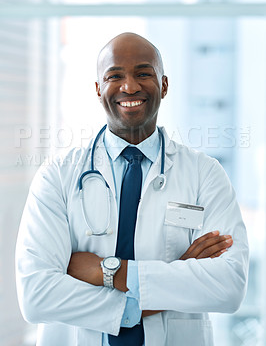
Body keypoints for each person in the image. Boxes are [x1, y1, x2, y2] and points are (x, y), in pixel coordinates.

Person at [16, 32, 249, 346]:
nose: (130, 87)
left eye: (143, 73)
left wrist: (109, 272)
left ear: (164, 85)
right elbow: (37, 295)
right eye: (115, 76)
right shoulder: (57, 176)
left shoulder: (204, 174)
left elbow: (229, 285)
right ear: (98, 90)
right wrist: (163, 287)